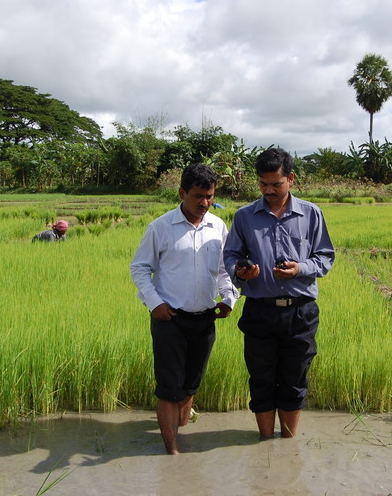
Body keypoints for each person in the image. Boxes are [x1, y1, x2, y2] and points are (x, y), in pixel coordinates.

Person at [223, 147, 335, 439]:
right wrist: (242, 271)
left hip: (300, 311)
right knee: (260, 378)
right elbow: (231, 255)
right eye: (263, 184)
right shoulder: (245, 216)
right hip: (260, 310)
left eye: (276, 184)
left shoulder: (311, 214)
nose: (269, 190)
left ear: (291, 179)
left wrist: (299, 268)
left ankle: (287, 444)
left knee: (295, 379)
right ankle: (265, 442)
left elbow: (325, 257)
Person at [130, 163, 237, 455]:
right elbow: (140, 268)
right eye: (198, 196)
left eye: (210, 196)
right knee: (169, 388)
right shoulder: (161, 227)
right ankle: (172, 452)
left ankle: (181, 434)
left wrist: (228, 298)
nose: (204, 203)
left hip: (204, 319)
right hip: (170, 319)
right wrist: (155, 304)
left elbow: (224, 270)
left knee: (190, 385)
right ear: (182, 193)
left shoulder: (218, 227)